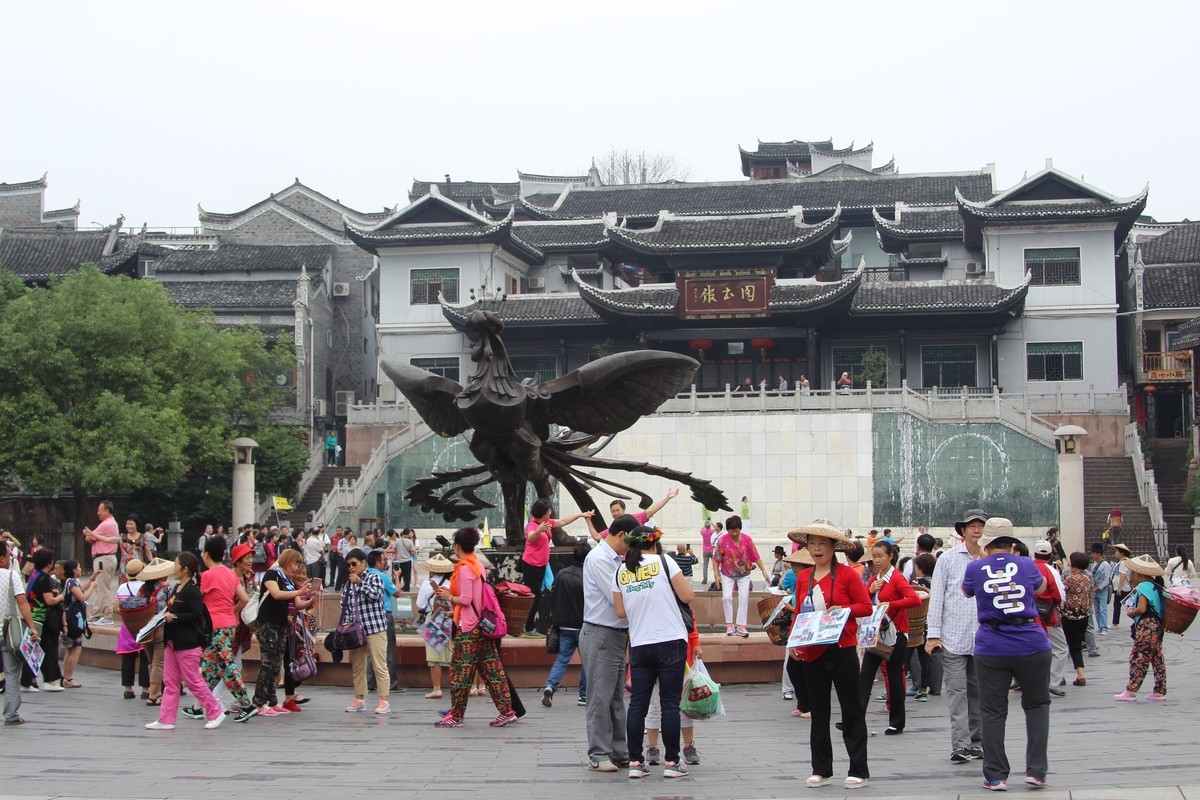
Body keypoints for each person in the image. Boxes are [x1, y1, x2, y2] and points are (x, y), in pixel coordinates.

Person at [962, 518, 1052, 791]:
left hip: (992, 646)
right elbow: (1041, 589)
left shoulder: (975, 567)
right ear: (1013, 544)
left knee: (992, 711)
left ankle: (996, 775)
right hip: (1031, 643)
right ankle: (1036, 771)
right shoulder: (1026, 563)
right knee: (1036, 706)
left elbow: (966, 592)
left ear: (985, 543)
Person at [786, 520, 872, 789]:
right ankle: (821, 769)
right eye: (812, 543)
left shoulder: (847, 575)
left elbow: (866, 607)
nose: (817, 548)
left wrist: (843, 610)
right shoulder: (803, 577)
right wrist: (794, 643)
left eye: (822, 543)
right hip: (813, 651)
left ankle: (858, 769)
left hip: (843, 648)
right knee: (818, 711)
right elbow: (800, 613)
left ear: (834, 546)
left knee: (851, 710)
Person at [613, 525, 694, 779]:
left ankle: (636, 763)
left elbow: (620, 612)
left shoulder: (622, 569)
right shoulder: (664, 561)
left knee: (638, 704)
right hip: (670, 640)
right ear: (655, 543)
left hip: (639, 643)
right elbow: (687, 595)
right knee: (670, 704)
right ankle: (672, 762)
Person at [433, 526, 516, 728]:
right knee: (492, 669)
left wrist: (448, 597)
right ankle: (507, 711)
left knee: (460, 672)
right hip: (482, 625)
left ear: (458, 546)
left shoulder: (463, 568)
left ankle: (456, 715)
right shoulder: (478, 564)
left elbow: (466, 599)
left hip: (470, 629)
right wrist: (455, 608)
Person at [926, 508, 986, 764]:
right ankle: (960, 745)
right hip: (953, 637)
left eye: (980, 526)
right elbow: (937, 597)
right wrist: (933, 634)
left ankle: (977, 742)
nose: (976, 530)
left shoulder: (988, 561)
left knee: (978, 691)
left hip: (982, 638)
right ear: (962, 531)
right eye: (972, 526)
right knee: (957, 691)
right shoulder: (948, 559)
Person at [580, 514, 637, 771]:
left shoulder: (614, 559)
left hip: (614, 635)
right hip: (601, 633)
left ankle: (619, 751)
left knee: (615, 698)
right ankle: (598, 754)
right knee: (600, 697)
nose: (633, 548)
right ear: (623, 534)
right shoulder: (600, 559)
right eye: (632, 542)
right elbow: (620, 597)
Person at [146, 554, 226, 731]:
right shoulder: (177, 588)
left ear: (185, 570)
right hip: (172, 641)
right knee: (170, 681)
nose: (173, 569)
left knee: (193, 680)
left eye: (176, 565)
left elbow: (196, 616)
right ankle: (166, 719)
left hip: (187, 643)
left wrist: (174, 617)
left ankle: (215, 711)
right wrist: (160, 617)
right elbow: (172, 610)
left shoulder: (192, 590)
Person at [237, 548, 318, 721]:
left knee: (275, 665)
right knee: (268, 664)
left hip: (281, 625)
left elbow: (297, 604)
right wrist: (298, 592)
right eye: (295, 563)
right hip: (268, 625)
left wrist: (310, 600)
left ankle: (272, 701)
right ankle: (258, 703)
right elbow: (276, 594)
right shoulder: (272, 575)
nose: (297, 568)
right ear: (287, 560)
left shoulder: (287, 580)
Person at [859, 539, 920, 735]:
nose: (876, 560)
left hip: (896, 634)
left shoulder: (897, 578)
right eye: (874, 557)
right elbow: (864, 602)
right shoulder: (875, 578)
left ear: (890, 557)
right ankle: (855, 718)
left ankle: (897, 722)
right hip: (876, 633)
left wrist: (890, 605)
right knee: (865, 675)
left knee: (894, 676)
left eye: (880, 556)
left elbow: (914, 599)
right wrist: (870, 591)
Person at [186, 536, 251, 718]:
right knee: (210, 667)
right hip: (229, 623)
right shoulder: (230, 573)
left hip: (215, 626)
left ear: (206, 555)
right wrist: (233, 611)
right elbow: (244, 598)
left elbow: (196, 601)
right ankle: (199, 706)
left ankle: (246, 704)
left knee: (226, 666)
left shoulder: (206, 576)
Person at [521, 498, 593, 637]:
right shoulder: (532, 525)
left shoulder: (547, 523)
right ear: (543, 512)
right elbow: (530, 538)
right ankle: (528, 628)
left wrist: (580, 515)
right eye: (549, 511)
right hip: (531, 565)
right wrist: (539, 531)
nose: (551, 512)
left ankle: (529, 627)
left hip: (542, 565)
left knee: (540, 596)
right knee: (533, 597)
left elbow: (563, 522)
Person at [340, 548, 391, 714]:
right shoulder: (348, 583)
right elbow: (344, 605)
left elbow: (376, 595)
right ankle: (359, 699)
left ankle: (384, 700)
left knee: (379, 666)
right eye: (348, 565)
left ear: (363, 563)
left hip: (375, 628)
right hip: (356, 632)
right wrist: (346, 623)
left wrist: (360, 584)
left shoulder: (374, 577)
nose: (351, 568)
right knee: (358, 666)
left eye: (354, 564)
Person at [1114, 554, 1167, 702]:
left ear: (1139, 573)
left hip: (1146, 626)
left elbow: (1142, 608)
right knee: (1157, 658)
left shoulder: (1143, 587)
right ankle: (1159, 691)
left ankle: (1131, 691)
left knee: (1139, 657)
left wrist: (1131, 613)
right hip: (1157, 625)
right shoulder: (1156, 586)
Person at [543, 542, 589, 708]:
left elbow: (553, 597)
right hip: (583, 625)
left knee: (562, 658)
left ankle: (550, 685)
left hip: (563, 624)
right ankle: (584, 695)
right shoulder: (588, 575)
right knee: (587, 661)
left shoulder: (562, 574)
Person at [1, 539, 39, 725]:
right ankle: (11, 715)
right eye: (8, 556)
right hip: (8, 632)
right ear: (1, 558)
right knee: (12, 674)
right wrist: (31, 627)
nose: (10, 560)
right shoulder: (11, 576)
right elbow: (22, 602)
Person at [712, 515, 770, 637]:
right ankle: (729, 624)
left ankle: (741, 625)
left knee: (743, 597)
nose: (734, 534)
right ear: (727, 530)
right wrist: (716, 575)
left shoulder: (747, 540)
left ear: (740, 529)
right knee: (727, 597)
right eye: (731, 531)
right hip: (728, 573)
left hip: (744, 573)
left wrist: (764, 570)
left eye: (736, 531)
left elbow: (755, 556)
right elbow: (716, 558)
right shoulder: (722, 540)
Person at [25, 549, 65, 691]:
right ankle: (50, 681)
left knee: (33, 649)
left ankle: (27, 681)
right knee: (49, 649)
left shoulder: (34, 574)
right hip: (44, 618)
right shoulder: (44, 578)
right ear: (49, 563)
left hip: (33, 615)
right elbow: (49, 601)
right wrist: (60, 597)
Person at [416, 553, 454, 699]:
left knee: (434, 657)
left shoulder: (427, 584)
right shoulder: (452, 583)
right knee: (452, 655)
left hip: (433, 618)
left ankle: (437, 689)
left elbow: (420, 604)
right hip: (449, 617)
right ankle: (455, 687)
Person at [1032, 541, 1068, 696]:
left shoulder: (1027, 567)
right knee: (1060, 648)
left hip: (1028, 613)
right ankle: (1053, 682)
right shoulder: (1050, 570)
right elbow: (1060, 595)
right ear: (1049, 555)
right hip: (1047, 614)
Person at [780, 548, 813, 716]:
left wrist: (791, 609)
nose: (793, 567)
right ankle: (803, 703)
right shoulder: (799, 582)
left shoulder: (811, 582)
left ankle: (810, 705)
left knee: (805, 667)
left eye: (796, 564)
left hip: (809, 627)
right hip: (799, 626)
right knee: (794, 666)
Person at [364, 549, 400, 694]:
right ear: (378, 563)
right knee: (389, 649)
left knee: (372, 649)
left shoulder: (365, 575)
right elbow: (397, 593)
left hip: (370, 616)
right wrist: (397, 577)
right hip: (385, 614)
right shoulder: (382, 576)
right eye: (383, 560)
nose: (385, 562)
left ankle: (369, 682)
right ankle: (392, 683)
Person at [59, 559, 97, 687]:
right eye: (79, 567)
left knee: (70, 649)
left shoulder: (71, 582)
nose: (80, 569)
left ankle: (66, 677)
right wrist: (93, 587)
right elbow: (82, 597)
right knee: (75, 649)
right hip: (73, 620)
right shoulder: (72, 582)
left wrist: (93, 577)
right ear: (74, 570)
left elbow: (81, 589)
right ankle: (68, 678)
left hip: (69, 619)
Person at [83, 499, 120, 624]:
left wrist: (89, 535)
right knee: (102, 586)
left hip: (103, 558)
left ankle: (106, 615)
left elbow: (89, 537)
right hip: (108, 557)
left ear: (107, 510)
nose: (98, 513)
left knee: (102, 587)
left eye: (100, 511)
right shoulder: (112, 523)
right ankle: (99, 614)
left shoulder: (106, 524)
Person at [1061, 551, 1093, 686]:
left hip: (1069, 616)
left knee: (1063, 646)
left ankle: (1059, 676)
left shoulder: (1070, 579)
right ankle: (1081, 675)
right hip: (1083, 616)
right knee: (1076, 646)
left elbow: (1061, 590)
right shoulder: (1087, 578)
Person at [1089, 542, 1113, 635]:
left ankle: (1104, 627)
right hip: (1095, 589)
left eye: (1094, 553)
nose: (1093, 555)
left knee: (1103, 609)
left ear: (1099, 553)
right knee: (1097, 609)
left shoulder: (1105, 565)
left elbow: (1107, 579)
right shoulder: (1093, 564)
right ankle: (1100, 625)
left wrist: (1098, 587)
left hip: (1102, 589)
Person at [1110, 543, 1133, 627]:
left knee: (1122, 605)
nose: (1115, 553)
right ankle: (1115, 622)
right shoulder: (1124, 562)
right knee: (1126, 605)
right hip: (1124, 587)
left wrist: (1119, 588)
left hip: (1123, 588)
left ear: (1122, 553)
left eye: (1116, 551)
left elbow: (1122, 575)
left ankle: (1115, 623)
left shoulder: (1123, 563)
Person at [700, 519, 715, 585]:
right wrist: (712, 523)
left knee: (705, 566)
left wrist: (704, 525)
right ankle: (718, 577)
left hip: (705, 550)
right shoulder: (712, 531)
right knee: (715, 565)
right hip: (712, 550)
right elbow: (716, 529)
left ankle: (705, 579)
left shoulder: (703, 532)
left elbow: (701, 530)